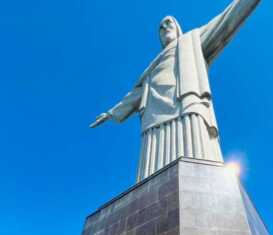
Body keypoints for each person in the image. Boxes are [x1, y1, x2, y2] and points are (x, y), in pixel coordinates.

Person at [90, 1, 262, 182]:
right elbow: (136, 94)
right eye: (160, 28)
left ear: (177, 27)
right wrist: (111, 113)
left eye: (168, 23)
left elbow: (226, 20)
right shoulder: (151, 68)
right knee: (151, 168)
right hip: (153, 116)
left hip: (185, 102)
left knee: (195, 152)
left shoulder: (192, 40)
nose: (164, 28)